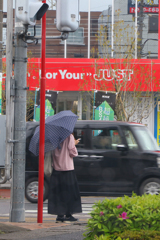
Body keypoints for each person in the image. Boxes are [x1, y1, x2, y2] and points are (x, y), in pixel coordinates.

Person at [48, 134, 82, 223]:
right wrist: (74, 143)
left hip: (56, 168)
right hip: (67, 169)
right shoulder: (69, 136)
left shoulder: (53, 136)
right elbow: (72, 152)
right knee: (69, 193)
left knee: (59, 193)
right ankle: (68, 215)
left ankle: (60, 215)